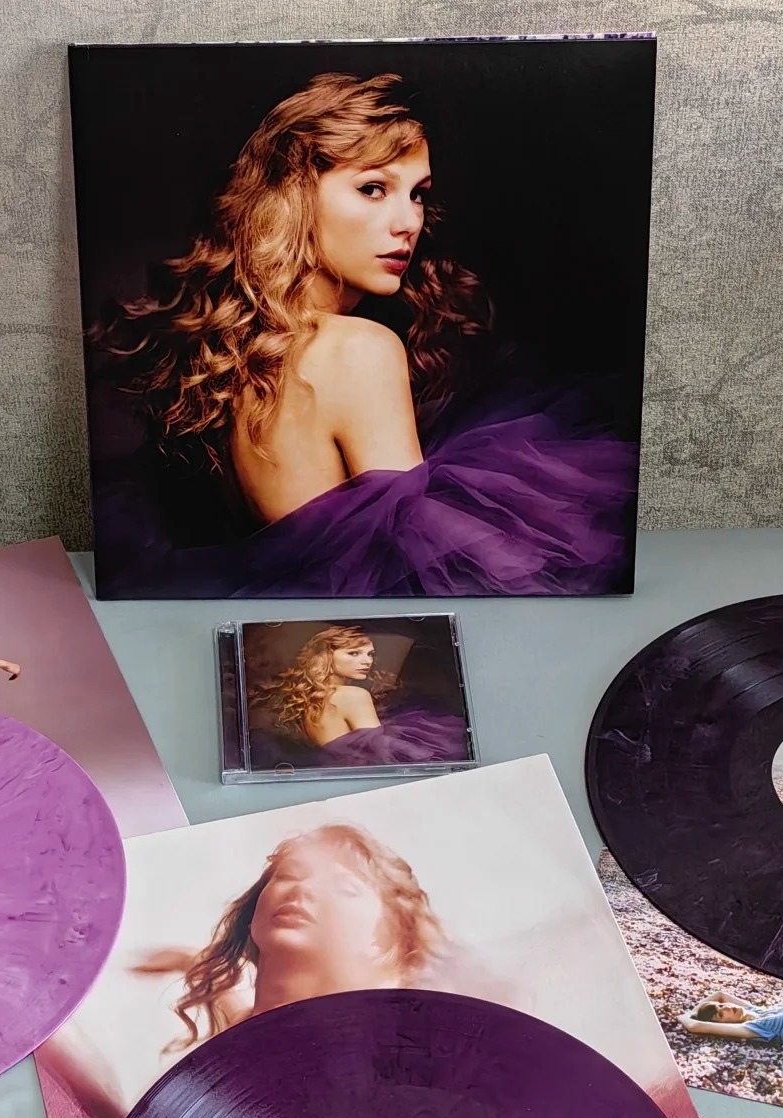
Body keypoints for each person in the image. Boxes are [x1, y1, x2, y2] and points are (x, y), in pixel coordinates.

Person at [91, 72, 637, 598]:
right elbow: (416, 579)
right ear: (293, 197)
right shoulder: (358, 349)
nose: (409, 222)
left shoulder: (246, 356)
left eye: (417, 194)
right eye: (373, 188)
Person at [39, 823, 450, 1118]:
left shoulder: (364, 1062)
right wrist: (192, 962)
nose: (302, 889)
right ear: (253, 914)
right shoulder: (254, 1029)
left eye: (344, 888)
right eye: (289, 874)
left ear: (387, 943)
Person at [247, 624, 467, 767]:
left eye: (370, 654)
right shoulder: (353, 695)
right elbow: (381, 754)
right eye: (354, 653)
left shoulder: (310, 700)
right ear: (326, 656)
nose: (367, 661)